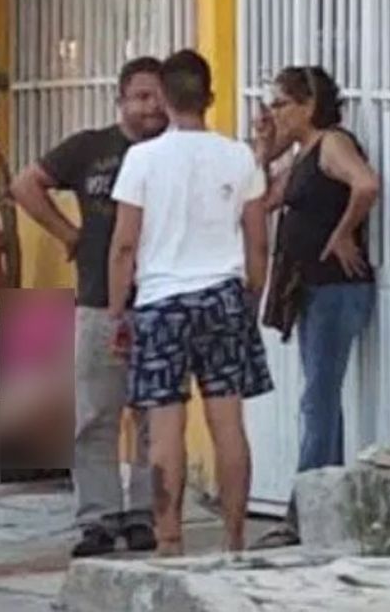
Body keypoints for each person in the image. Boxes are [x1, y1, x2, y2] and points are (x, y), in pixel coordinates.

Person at [107, 49, 272, 557]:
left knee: (165, 429)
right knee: (228, 423)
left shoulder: (142, 159)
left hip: (160, 302)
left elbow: (124, 245)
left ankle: (169, 538)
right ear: (211, 97)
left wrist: (118, 311)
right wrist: (251, 297)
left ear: (165, 97)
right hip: (223, 296)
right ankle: (235, 537)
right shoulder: (239, 157)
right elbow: (257, 242)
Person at [11, 57, 168, 557]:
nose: (150, 106)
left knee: (152, 417)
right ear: (120, 101)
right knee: (96, 416)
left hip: (161, 302)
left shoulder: (173, 153)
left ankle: (145, 514)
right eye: (140, 96)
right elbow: (24, 185)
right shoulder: (89, 149)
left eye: (158, 96)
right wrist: (68, 235)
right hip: (99, 301)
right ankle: (98, 519)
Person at [254, 65, 380, 546]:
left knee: (318, 398)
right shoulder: (302, 156)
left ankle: (303, 509)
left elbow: (365, 184)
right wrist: (264, 152)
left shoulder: (331, 143)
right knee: (321, 397)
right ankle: (324, 499)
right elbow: (261, 201)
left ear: (308, 105)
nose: (275, 115)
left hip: (335, 287)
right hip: (310, 288)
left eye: (281, 105)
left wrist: (343, 232)